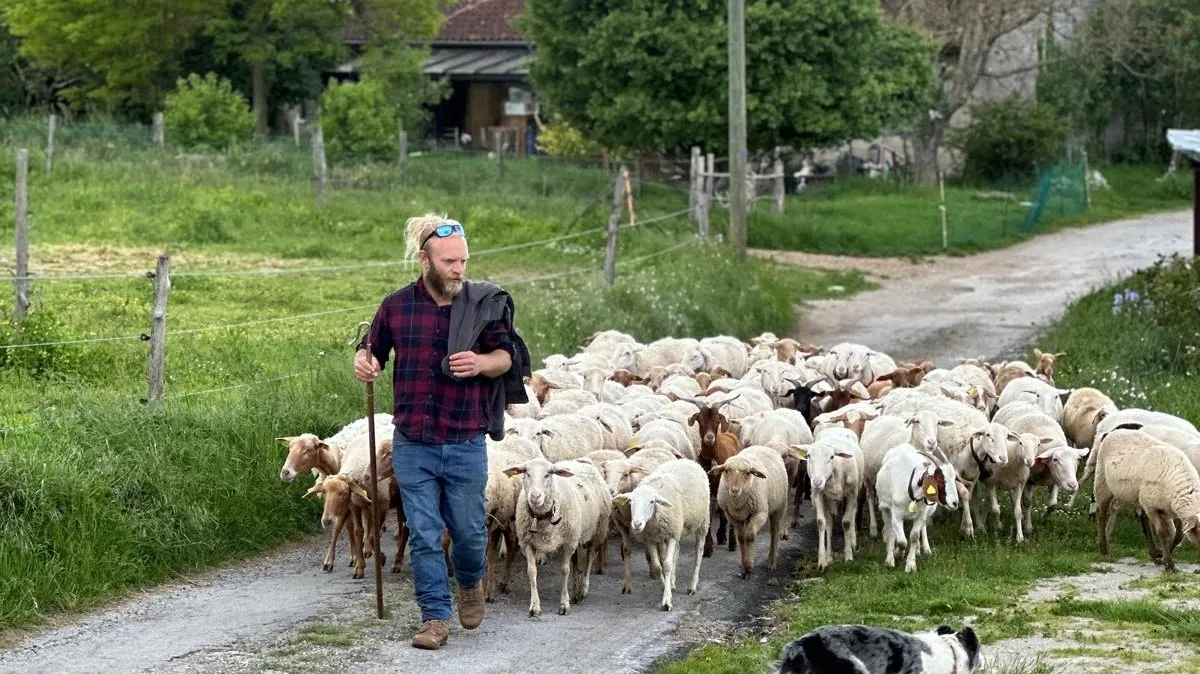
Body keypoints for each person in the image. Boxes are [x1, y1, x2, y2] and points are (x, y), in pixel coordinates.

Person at [353, 214, 528, 650]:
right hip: (413, 442)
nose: (459, 269)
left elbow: (507, 357)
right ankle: (434, 617)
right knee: (424, 534)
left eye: (463, 261)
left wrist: (482, 363)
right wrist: (365, 362)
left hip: (465, 439)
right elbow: (372, 349)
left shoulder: (483, 304)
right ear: (425, 259)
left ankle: (469, 581)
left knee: (468, 532)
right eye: (450, 262)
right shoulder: (396, 306)